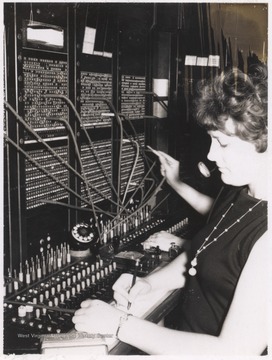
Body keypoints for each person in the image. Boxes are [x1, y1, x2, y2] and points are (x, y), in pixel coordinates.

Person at [72, 65, 268, 355]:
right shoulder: (237, 192)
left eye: (222, 143)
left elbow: (234, 352)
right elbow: (203, 254)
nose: (212, 155)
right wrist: (149, 284)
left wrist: (119, 323)